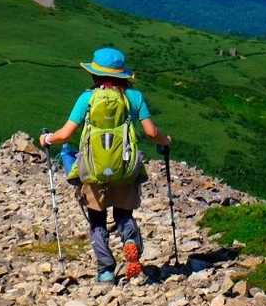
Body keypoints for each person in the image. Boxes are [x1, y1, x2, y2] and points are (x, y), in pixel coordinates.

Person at [39, 46, 172, 284]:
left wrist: (47, 138)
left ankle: (106, 271)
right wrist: (166, 141)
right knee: (123, 214)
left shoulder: (87, 99)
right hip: (125, 169)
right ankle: (130, 240)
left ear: (95, 74)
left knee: (97, 220)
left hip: (94, 170)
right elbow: (151, 133)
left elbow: (65, 134)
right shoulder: (134, 97)